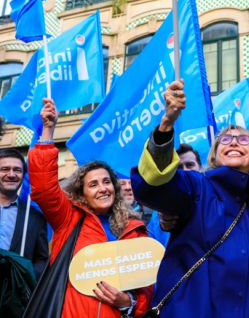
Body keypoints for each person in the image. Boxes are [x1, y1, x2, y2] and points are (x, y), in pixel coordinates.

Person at [131, 78, 249, 318]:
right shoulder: (197, 186)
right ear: (214, 155)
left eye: (243, 139)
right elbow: (155, 187)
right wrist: (166, 124)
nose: (234, 141)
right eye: (225, 139)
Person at [27, 98, 153, 318]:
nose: (102, 189)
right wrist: (48, 131)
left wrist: (129, 303)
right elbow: (44, 188)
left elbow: (146, 287)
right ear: (81, 194)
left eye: (106, 182)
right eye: (93, 185)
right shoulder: (68, 219)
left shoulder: (134, 229)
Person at [0, 148, 48, 280]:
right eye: (5, 169)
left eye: (17, 170)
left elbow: (41, 259)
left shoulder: (34, 217)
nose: (11, 174)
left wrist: (26, 277)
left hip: (16, 296)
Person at [146, 143, 203, 247]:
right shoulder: (158, 216)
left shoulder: (217, 202)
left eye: (190, 165)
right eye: (178, 168)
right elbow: (151, 252)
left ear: (201, 168)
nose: (185, 171)